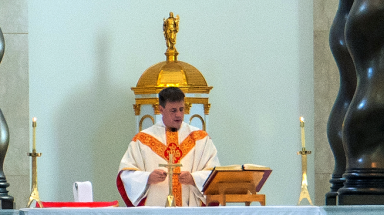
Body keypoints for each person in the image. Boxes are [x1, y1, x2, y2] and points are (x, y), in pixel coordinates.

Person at [117, 87, 220, 207]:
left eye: (181, 109)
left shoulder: (200, 139)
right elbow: (126, 175)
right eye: (173, 110)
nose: (179, 114)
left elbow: (215, 174)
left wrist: (194, 179)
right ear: (161, 109)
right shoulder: (142, 140)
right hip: (155, 208)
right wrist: (147, 178)